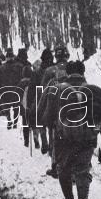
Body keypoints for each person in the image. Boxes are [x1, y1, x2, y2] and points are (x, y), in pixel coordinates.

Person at [37, 60, 101, 199]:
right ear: (83, 73)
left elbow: (46, 116)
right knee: (83, 170)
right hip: (87, 137)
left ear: (67, 73)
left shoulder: (56, 89)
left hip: (63, 137)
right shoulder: (95, 90)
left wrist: (51, 125)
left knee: (63, 168)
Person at [39, 43, 70, 177]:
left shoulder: (49, 71)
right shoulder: (72, 68)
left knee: (54, 136)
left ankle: (55, 165)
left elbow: (43, 90)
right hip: (71, 106)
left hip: (55, 106)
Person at [26, 48, 54, 154]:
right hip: (53, 99)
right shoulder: (54, 71)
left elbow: (31, 89)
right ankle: (51, 144)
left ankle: (44, 141)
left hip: (40, 99)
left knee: (41, 122)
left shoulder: (37, 72)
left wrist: (29, 104)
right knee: (52, 123)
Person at [0, 48, 23, 129]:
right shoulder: (19, 66)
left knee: (6, 107)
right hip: (16, 90)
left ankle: (9, 120)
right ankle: (14, 123)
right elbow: (21, 78)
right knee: (16, 107)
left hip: (6, 90)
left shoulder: (2, 67)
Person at [16, 47, 38, 148]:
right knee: (34, 122)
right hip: (32, 105)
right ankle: (36, 138)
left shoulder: (21, 83)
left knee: (25, 123)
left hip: (23, 106)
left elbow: (18, 94)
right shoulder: (33, 81)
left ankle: (26, 141)